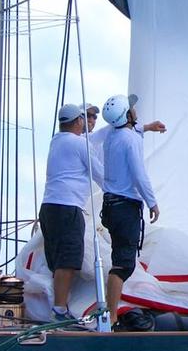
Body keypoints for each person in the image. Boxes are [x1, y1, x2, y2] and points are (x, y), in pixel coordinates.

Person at [39, 104, 105, 322]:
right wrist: (118, 193)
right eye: (84, 118)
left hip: (49, 207)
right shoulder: (78, 143)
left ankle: (57, 306)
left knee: (57, 261)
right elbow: (99, 174)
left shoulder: (56, 141)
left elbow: (97, 137)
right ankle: (59, 311)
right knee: (68, 261)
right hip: (68, 208)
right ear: (77, 121)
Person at [100, 94, 161, 326]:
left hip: (111, 206)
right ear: (127, 115)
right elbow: (139, 174)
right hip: (126, 207)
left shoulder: (113, 136)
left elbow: (130, 133)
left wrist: (148, 128)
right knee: (123, 265)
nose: (135, 110)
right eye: (132, 108)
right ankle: (112, 317)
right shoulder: (129, 140)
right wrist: (152, 202)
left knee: (120, 260)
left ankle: (110, 314)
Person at [84, 101, 167, 169]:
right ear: (79, 118)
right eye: (88, 115)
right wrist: (122, 113)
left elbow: (120, 132)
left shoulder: (99, 140)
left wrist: (148, 127)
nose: (92, 119)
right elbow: (104, 132)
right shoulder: (82, 139)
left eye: (94, 117)